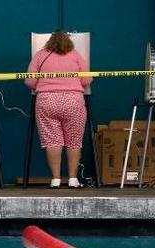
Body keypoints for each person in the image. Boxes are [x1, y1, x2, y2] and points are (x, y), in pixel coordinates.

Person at [25, 31, 92, 189]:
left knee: (52, 141)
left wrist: (43, 85)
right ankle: (73, 179)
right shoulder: (75, 55)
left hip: (47, 101)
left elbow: (29, 81)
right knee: (74, 141)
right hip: (73, 101)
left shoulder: (41, 55)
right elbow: (87, 79)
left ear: (49, 42)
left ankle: (55, 179)